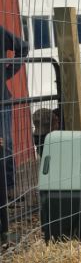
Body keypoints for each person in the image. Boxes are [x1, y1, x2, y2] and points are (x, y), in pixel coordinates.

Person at [0, 25, 29, 196]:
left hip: (1, 99)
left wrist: (7, 73)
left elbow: (23, 47)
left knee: (5, 143)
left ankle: (9, 189)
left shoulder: (1, 33)